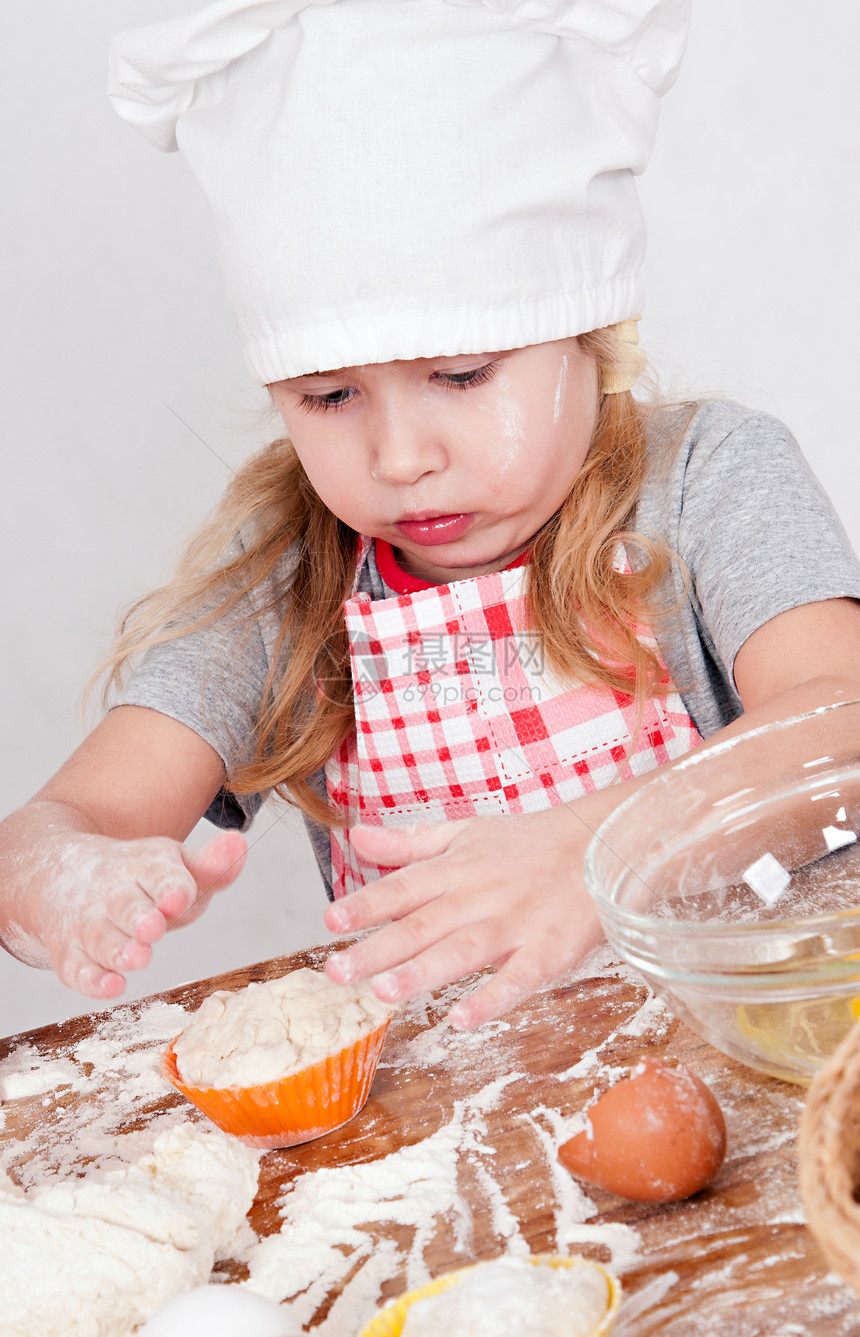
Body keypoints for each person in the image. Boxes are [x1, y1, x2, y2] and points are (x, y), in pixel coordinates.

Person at [2, 0, 860, 1030]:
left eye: (459, 373)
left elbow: (841, 720)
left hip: (761, 1055)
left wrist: (603, 846)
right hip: (453, 1131)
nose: (401, 457)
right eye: (328, 397)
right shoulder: (290, 575)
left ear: (590, 331)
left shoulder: (711, 479)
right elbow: (53, 831)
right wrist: (64, 877)